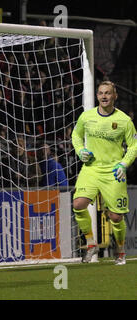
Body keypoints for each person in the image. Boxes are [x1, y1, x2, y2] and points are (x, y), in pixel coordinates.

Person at [71, 81, 137, 265]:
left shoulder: (124, 120)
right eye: (100, 93)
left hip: (113, 172)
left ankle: (121, 251)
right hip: (91, 169)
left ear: (114, 95)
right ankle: (91, 244)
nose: (104, 96)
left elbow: (133, 146)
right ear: (97, 96)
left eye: (107, 93)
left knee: (116, 216)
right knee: (78, 204)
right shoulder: (87, 117)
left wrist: (123, 164)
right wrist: (80, 151)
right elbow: (76, 135)